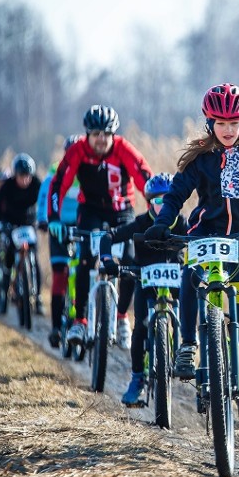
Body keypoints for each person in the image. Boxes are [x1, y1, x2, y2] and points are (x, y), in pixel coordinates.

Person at [143, 83, 239, 421]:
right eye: (220, 123)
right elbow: (176, 196)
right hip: (205, 234)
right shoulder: (200, 157)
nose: (227, 130)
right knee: (191, 274)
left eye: (233, 123)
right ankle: (187, 345)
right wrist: (163, 223)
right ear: (210, 123)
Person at [46, 105, 154, 350]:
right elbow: (59, 184)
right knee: (86, 258)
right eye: (95, 134)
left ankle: (122, 316)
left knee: (128, 260)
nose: (101, 139)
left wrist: (156, 210)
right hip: (91, 210)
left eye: (106, 134)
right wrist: (54, 216)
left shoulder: (123, 149)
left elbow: (146, 179)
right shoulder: (78, 151)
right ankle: (81, 320)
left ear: (113, 134)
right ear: (87, 134)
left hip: (122, 209)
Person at [97, 173, 188, 405]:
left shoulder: (184, 223)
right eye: (158, 202)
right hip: (144, 280)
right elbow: (110, 236)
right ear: (149, 203)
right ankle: (137, 377)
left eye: (168, 201)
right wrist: (108, 260)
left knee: (189, 314)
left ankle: (189, 361)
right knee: (139, 329)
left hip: (175, 283)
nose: (163, 207)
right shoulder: (140, 223)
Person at [37, 134, 82, 348]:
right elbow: (45, 197)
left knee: (85, 271)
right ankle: (55, 327)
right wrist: (44, 220)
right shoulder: (55, 173)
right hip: (59, 228)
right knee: (59, 274)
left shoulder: (88, 174)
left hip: (81, 227)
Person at [0, 153, 43, 313]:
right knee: (9, 257)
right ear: (15, 175)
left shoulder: (37, 183)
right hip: (11, 223)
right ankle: (5, 288)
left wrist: (45, 219)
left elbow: (45, 201)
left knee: (35, 258)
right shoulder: (8, 185)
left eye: (28, 176)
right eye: (21, 176)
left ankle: (37, 297)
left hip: (29, 223)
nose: (25, 180)